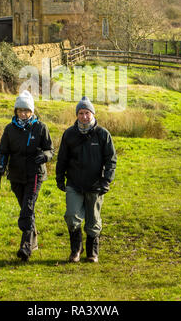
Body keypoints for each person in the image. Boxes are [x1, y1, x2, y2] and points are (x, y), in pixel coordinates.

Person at [56, 96, 117, 263]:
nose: (84, 116)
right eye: (81, 113)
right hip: (74, 184)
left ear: (93, 114)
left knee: (93, 220)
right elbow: (62, 158)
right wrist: (60, 177)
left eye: (87, 113)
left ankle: (92, 252)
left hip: (96, 185)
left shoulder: (102, 134)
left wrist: (106, 180)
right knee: (71, 216)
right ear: (77, 115)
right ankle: (76, 250)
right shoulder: (69, 134)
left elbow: (111, 160)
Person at [0, 90, 54, 262]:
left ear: (32, 111)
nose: (22, 113)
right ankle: (33, 239)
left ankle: (25, 248)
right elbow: (3, 151)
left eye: (26, 110)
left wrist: (44, 156)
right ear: (16, 111)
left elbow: (50, 150)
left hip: (35, 175)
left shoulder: (40, 127)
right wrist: (0, 165)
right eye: (19, 110)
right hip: (15, 176)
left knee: (26, 210)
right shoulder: (10, 129)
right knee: (26, 210)